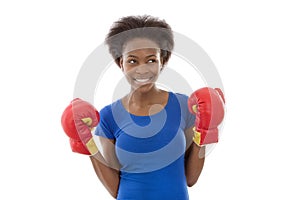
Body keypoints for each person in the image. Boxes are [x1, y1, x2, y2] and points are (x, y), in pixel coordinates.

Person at [61, 15, 225, 200]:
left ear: (161, 62)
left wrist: (205, 131)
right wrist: (88, 144)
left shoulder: (183, 106)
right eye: (132, 61)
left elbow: (190, 178)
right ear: (121, 63)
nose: (142, 69)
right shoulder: (108, 116)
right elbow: (115, 189)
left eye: (151, 60)